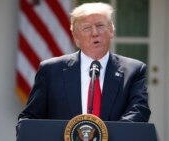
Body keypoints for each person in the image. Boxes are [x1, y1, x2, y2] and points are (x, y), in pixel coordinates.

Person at [18, 2, 151, 122]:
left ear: (111, 30)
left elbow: (139, 111)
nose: (94, 33)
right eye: (86, 28)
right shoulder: (50, 71)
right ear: (76, 37)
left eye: (100, 26)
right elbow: (29, 118)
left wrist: (106, 135)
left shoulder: (133, 70)